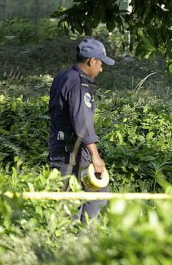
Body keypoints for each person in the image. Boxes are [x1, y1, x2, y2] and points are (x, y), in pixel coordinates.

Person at [48, 37, 115, 223]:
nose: (101, 69)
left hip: (68, 151)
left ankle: (84, 239)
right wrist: (96, 155)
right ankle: (73, 244)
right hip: (71, 156)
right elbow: (82, 122)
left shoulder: (64, 76)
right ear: (91, 61)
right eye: (100, 63)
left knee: (97, 194)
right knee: (71, 206)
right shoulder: (79, 83)